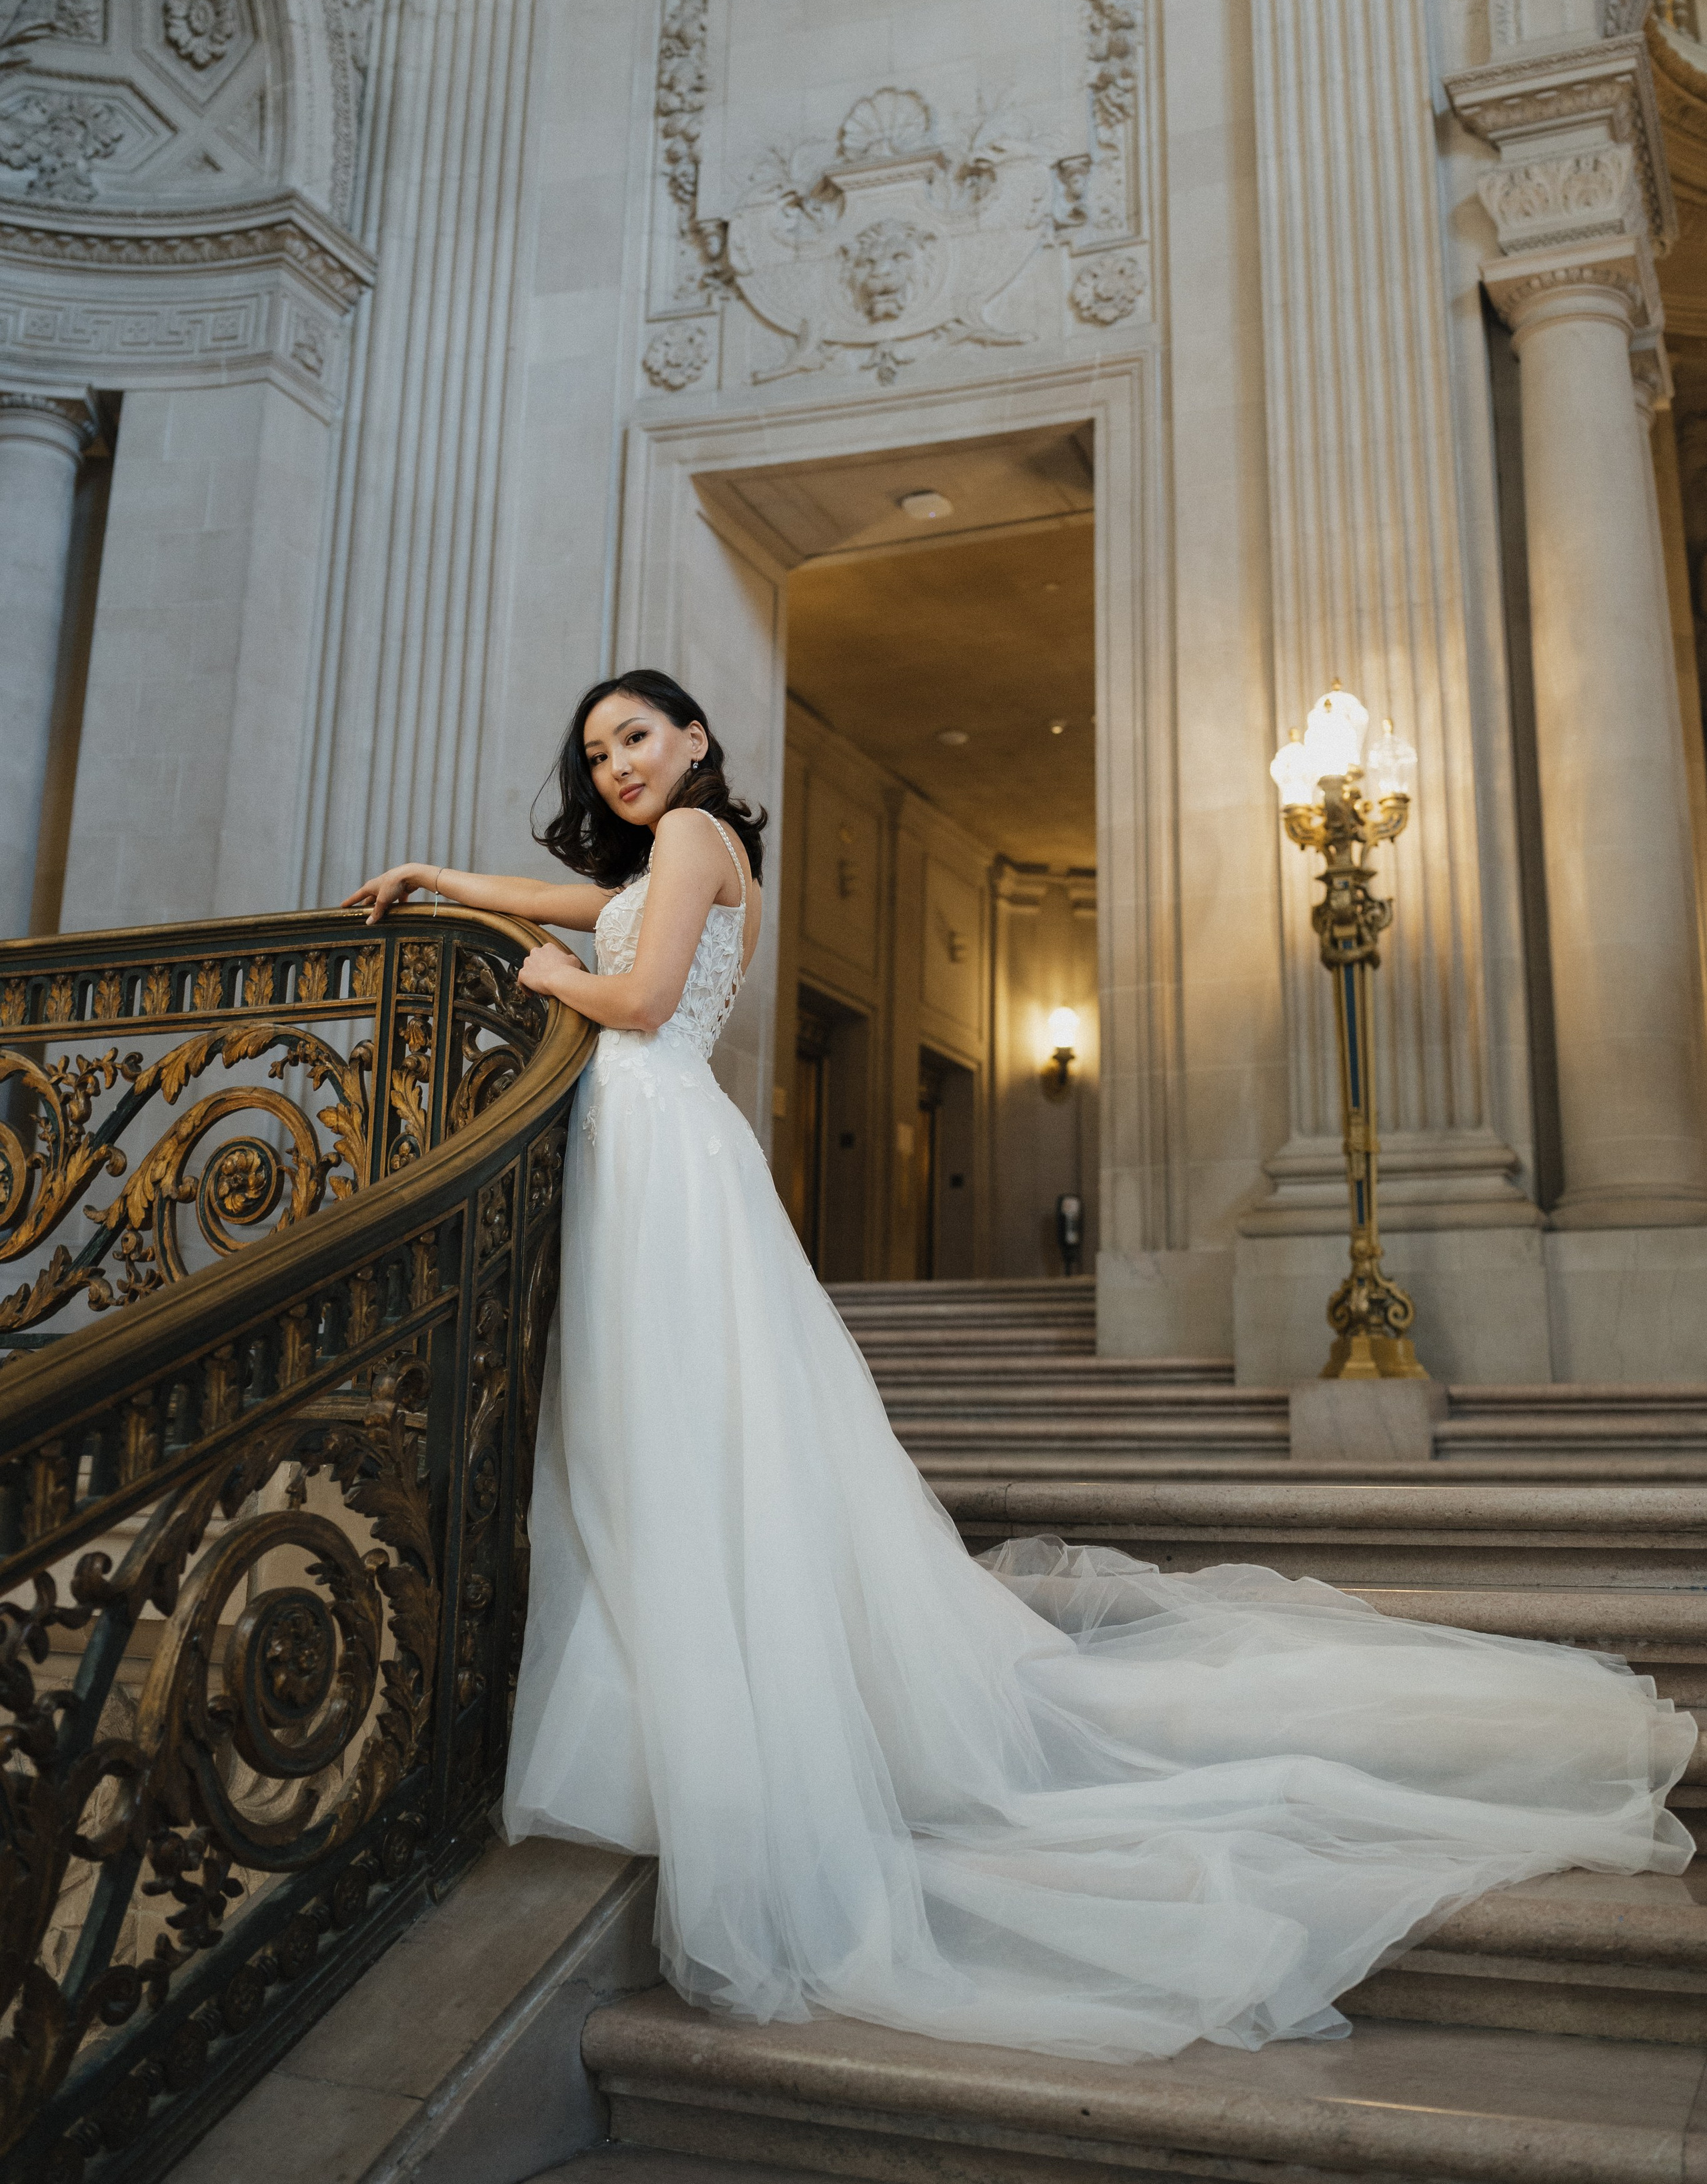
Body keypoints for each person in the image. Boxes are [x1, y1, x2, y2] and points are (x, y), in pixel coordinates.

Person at [345, 668, 1694, 2065]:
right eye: (595, 751)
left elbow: (637, 992)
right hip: (657, 1161)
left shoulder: (693, 838)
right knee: (668, 1445)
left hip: (666, 1159)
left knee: (682, 1442)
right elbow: (571, 904)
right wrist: (440, 882)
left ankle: (720, 1729)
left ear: (692, 740)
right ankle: (687, 1710)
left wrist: (556, 981)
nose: (615, 765)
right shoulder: (670, 851)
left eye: (635, 737)